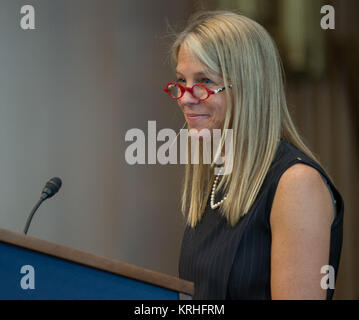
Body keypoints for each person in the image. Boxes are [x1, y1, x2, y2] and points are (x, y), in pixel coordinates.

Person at [163, 10, 344, 300]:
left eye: (205, 81)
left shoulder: (296, 184)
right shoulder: (218, 178)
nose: (185, 97)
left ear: (248, 87)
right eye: (181, 81)